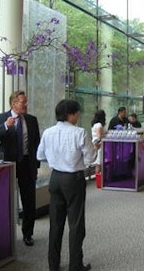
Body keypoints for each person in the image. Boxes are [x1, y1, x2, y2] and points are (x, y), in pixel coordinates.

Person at [37, 99, 98, 271]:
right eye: (77, 112)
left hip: (55, 178)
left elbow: (40, 155)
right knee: (76, 224)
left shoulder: (48, 132)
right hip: (73, 179)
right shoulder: (80, 133)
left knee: (55, 224)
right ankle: (75, 265)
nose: (78, 115)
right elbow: (90, 159)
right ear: (70, 114)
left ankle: (53, 265)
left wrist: (57, 158)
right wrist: (95, 148)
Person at [0, 90, 40, 247]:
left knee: (29, 201)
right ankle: (5, 234)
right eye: (23, 102)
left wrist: (36, 164)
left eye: (26, 102)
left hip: (27, 164)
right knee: (6, 200)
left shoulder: (32, 120)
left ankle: (28, 234)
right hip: (9, 165)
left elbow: (36, 144)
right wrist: (6, 125)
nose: (26, 105)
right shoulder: (1, 118)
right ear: (13, 104)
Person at [91, 109, 106, 174]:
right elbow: (99, 136)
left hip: (96, 143)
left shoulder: (95, 124)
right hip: (99, 144)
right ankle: (99, 179)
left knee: (98, 162)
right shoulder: (99, 125)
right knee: (99, 162)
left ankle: (98, 178)